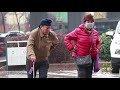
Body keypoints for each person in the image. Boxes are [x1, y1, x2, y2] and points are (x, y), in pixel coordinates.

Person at [64, 14, 100, 78]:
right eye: (88, 22)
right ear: (84, 22)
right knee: (82, 75)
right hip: (80, 58)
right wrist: (71, 48)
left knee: (89, 76)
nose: (90, 23)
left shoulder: (95, 33)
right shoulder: (78, 31)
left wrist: (96, 49)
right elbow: (67, 38)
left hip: (91, 58)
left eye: (91, 22)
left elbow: (97, 42)